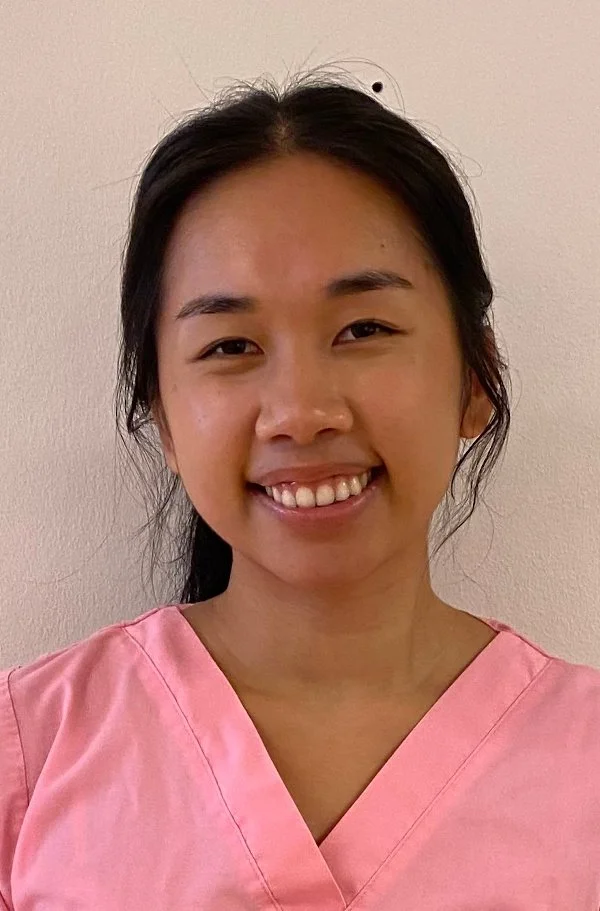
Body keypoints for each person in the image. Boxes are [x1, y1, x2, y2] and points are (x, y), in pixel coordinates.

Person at [1, 68, 599, 910]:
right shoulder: (33, 751)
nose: (301, 413)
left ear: (476, 378)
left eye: (364, 329)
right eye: (230, 346)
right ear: (163, 417)